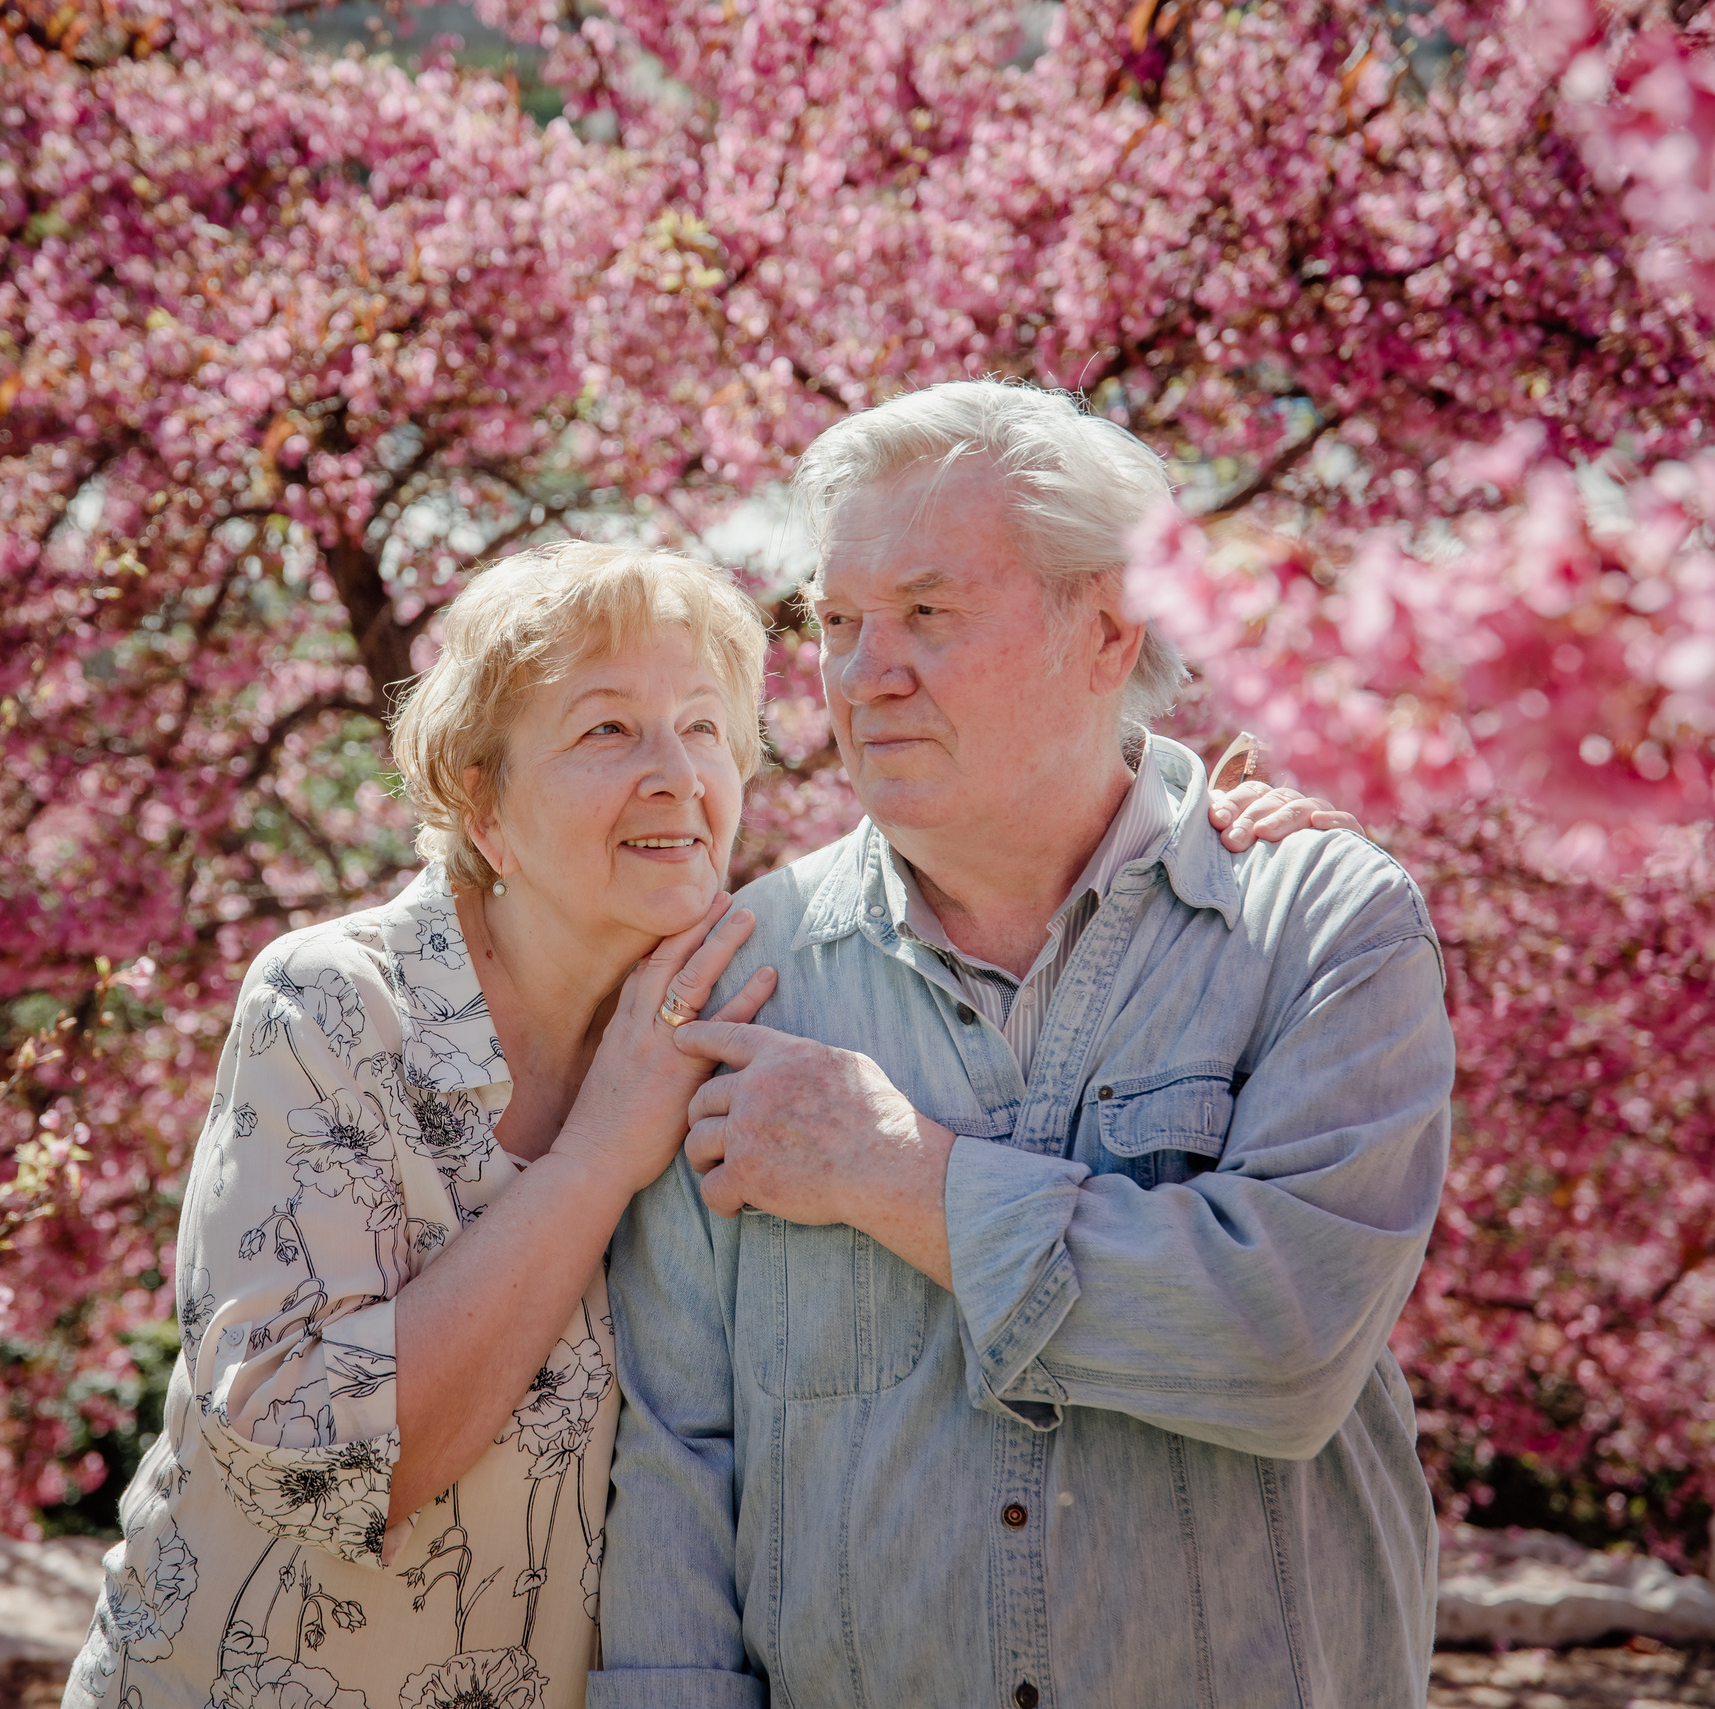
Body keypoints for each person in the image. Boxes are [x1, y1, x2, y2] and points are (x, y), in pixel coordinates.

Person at [63, 539, 1349, 1709]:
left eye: (704, 729)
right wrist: (598, 1155)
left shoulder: (740, 994)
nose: (676, 776)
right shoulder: (339, 1003)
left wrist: (1195, 841)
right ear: (479, 797)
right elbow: (317, 1463)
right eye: (607, 729)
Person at [591, 381, 1456, 1709]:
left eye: (928, 612)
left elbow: (1281, 1345)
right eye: (838, 622)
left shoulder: (1319, 922)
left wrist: (896, 1173)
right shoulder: (741, 971)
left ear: (1107, 629)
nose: (864, 673)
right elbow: (676, 1460)